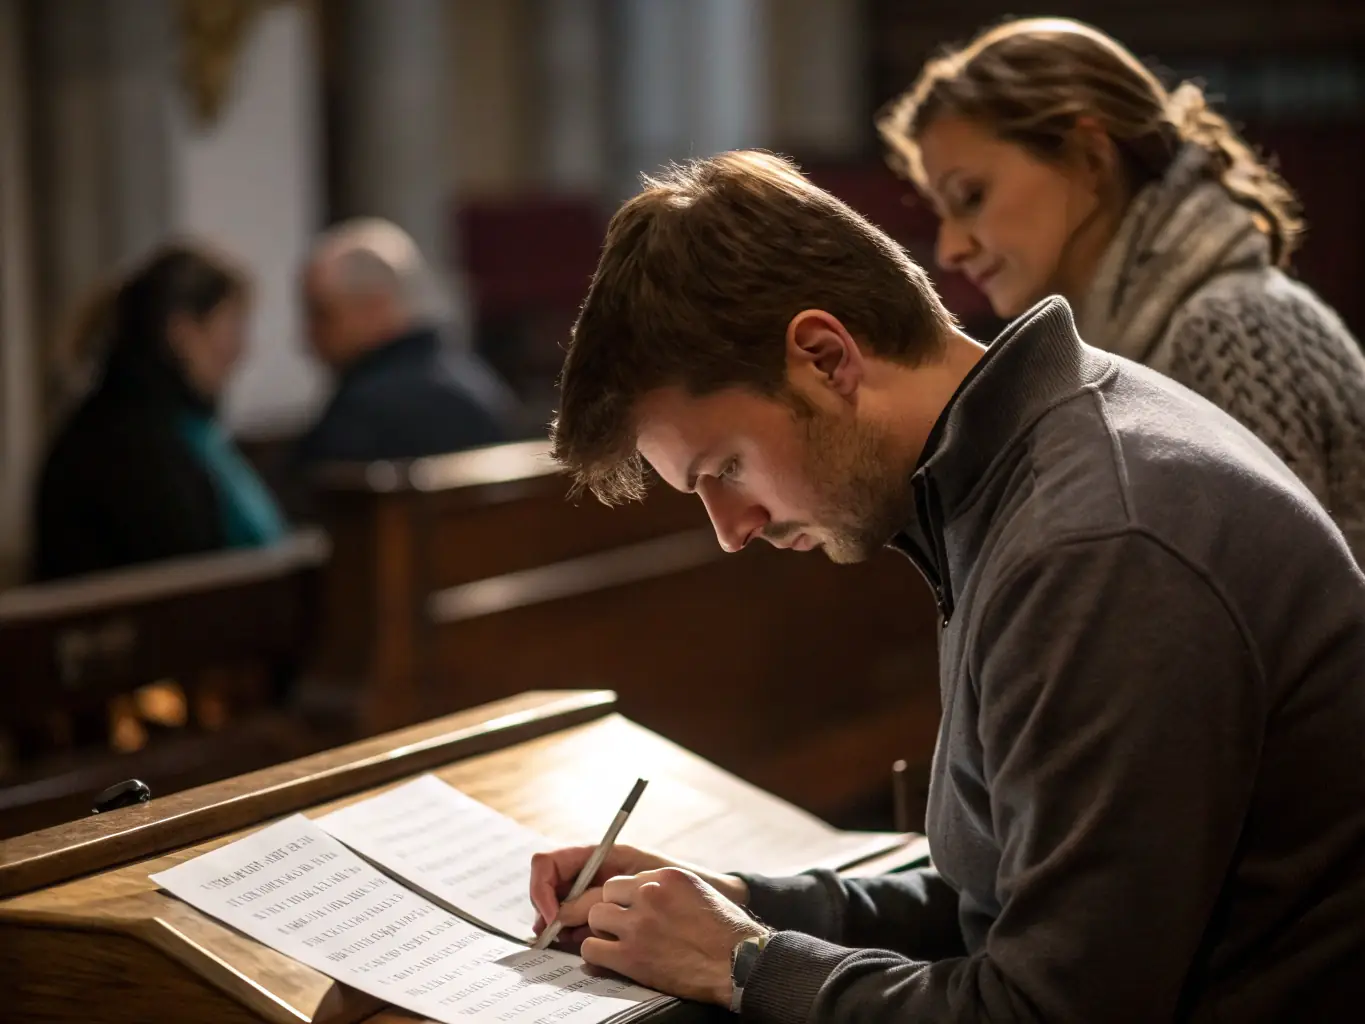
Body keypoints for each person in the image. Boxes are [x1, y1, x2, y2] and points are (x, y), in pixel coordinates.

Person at [528, 151, 1365, 1022]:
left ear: (823, 356)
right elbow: (1012, 891)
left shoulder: (1091, 544)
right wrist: (741, 904)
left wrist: (744, 964)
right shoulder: (1027, 459)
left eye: (726, 469)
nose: (732, 530)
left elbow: (1044, 1008)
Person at [876, 17, 1365, 560]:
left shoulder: (1228, 330)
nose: (949, 249)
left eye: (970, 196)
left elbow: (1270, 615)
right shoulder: (1157, 341)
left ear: (1089, 157)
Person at [34, 242, 287, 581]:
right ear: (183, 332)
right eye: (232, 325)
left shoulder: (181, 427)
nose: (242, 349)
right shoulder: (130, 445)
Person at [294, 217, 527, 467]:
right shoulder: (474, 377)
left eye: (322, 315)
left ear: (375, 306)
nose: (308, 336)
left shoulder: (363, 412)